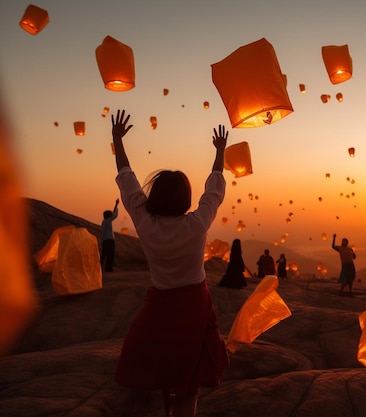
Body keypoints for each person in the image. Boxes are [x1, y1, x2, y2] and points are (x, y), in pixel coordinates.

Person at [110, 109, 229, 417]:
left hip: (161, 304)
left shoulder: (145, 222)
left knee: (161, 365)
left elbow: (127, 181)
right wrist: (220, 152)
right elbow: (214, 190)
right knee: (190, 378)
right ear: (185, 199)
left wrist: (117, 141)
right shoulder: (197, 224)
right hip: (195, 305)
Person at [100, 198, 119, 272]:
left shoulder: (104, 221)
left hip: (105, 240)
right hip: (109, 240)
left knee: (104, 255)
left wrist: (115, 205)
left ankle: (100, 268)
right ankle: (108, 269)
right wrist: (116, 204)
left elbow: (113, 214)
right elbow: (114, 215)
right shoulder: (107, 221)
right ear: (108, 216)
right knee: (110, 255)